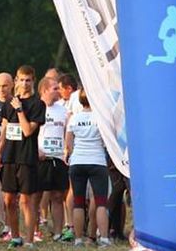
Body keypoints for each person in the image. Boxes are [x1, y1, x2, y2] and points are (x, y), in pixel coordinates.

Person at [0, 67, 46, 247]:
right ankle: (15, 236)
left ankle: (30, 239)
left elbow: (27, 130)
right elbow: (5, 127)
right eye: (22, 80)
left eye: (28, 80)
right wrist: (0, 150)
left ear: (33, 81)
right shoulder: (9, 103)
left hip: (26, 157)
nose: (24, 83)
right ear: (16, 80)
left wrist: (19, 110)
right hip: (9, 156)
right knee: (8, 199)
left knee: (26, 200)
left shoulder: (38, 104)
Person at [65, 89, 111, 247]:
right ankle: (104, 238)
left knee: (78, 202)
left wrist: (74, 154)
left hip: (78, 161)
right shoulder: (100, 118)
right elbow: (106, 141)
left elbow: (69, 143)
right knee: (101, 202)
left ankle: (78, 239)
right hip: (97, 161)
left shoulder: (74, 118)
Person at [36, 77, 72, 242]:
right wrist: (36, 151)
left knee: (58, 196)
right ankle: (34, 231)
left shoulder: (63, 110)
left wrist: (67, 150)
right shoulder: (36, 107)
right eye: (55, 88)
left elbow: (67, 133)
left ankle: (58, 232)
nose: (58, 91)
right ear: (44, 90)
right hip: (41, 158)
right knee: (36, 196)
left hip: (58, 158)